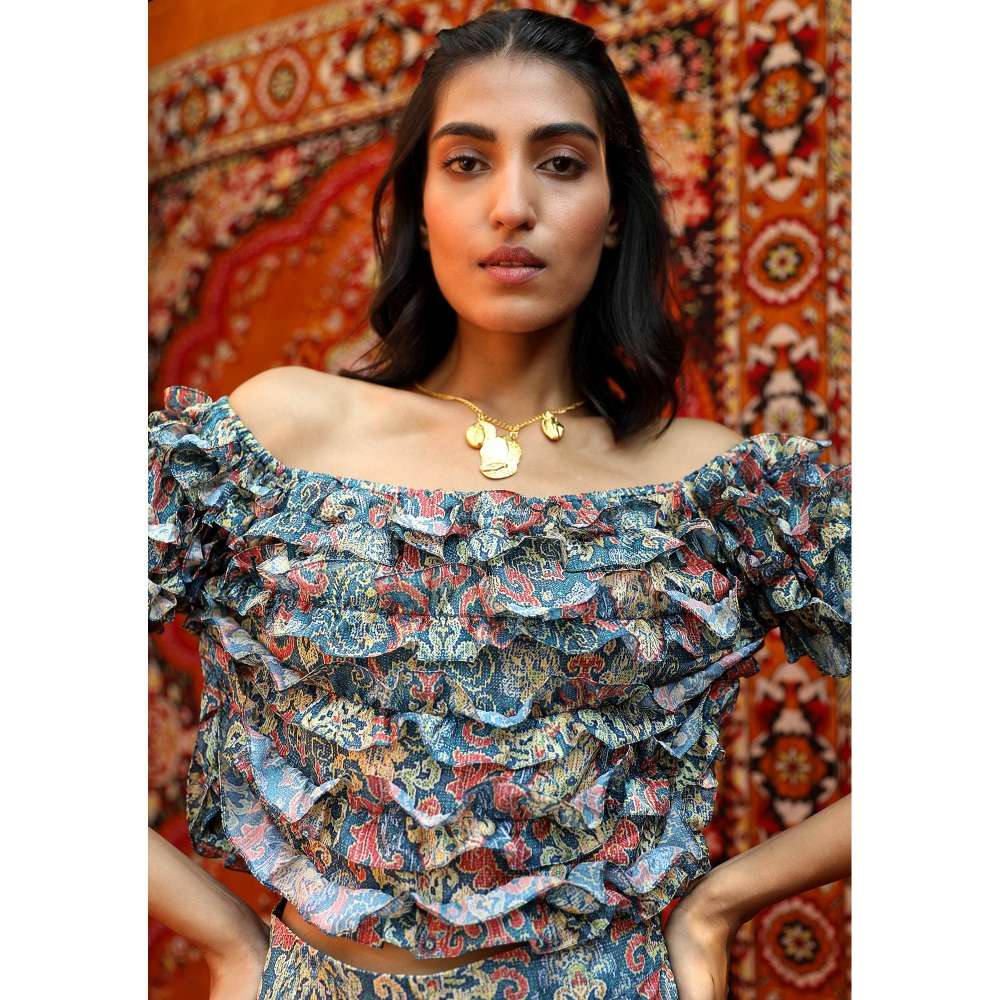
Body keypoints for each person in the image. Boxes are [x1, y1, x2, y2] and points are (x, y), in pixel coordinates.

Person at [148, 9, 851, 1000]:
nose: (512, 205)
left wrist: (719, 903)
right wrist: (225, 938)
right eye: (467, 163)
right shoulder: (276, 434)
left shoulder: (714, 486)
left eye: (559, 164)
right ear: (418, 206)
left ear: (615, 210)